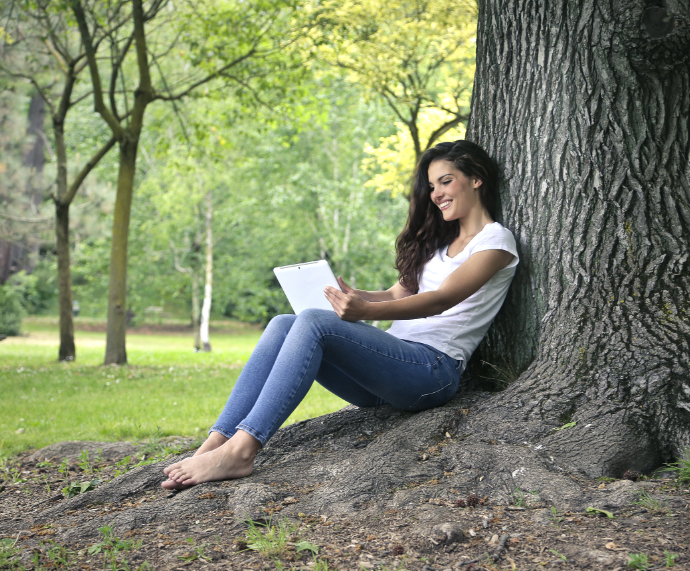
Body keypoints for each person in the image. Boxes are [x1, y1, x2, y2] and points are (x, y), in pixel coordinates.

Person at [162, 140, 519, 489]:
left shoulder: (495, 242)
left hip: (432, 373)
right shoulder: (440, 241)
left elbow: (441, 300)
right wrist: (356, 296)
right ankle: (214, 444)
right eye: (431, 186)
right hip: (385, 373)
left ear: (476, 178)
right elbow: (399, 294)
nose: (437, 193)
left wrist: (366, 311)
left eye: (446, 180)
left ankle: (242, 451)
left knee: (314, 323)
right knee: (284, 322)